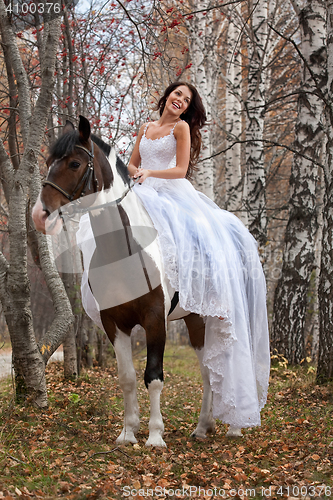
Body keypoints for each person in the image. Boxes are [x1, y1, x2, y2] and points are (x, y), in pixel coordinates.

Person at [128, 81, 270, 429]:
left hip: (171, 194)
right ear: (166, 96)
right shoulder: (145, 128)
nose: (179, 101)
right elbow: (132, 163)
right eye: (177, 95)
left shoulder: (181, 129)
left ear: (188, 108)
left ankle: (203, 290)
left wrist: (149, 173)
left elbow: (179, 170)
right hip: (142, 190)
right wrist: (134, 172)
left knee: (195, 237)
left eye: (187, 100)